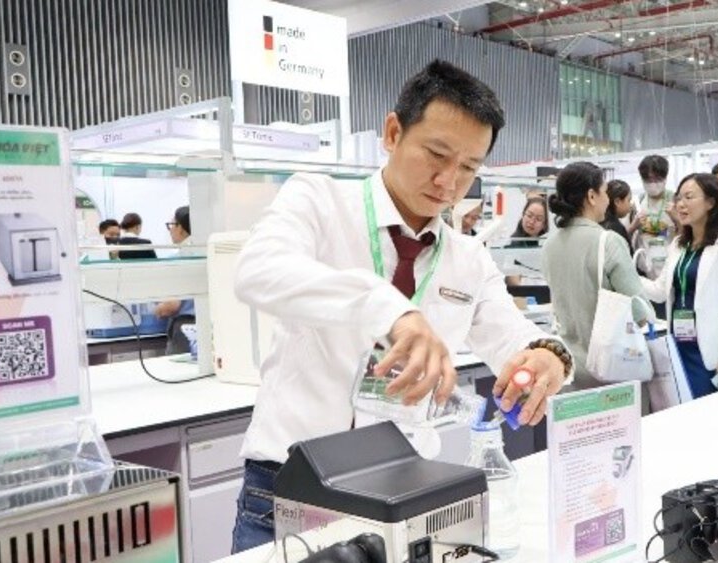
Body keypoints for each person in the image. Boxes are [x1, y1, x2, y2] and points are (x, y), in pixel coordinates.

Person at [229, 60, 572, 552]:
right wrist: (387, 308)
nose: (450, 182)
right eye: (436, 154)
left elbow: (514, 337)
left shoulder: (467, 258)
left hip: (403, 499)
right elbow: (257, 270)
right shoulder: (319, 202)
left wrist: (547, 358)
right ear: (393, 132)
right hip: (287, 493)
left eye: (470, 168)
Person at [544, 162, 656, 394]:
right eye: (605, 192)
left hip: (568, 372)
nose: (608, 199)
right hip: (609, 374)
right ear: (592, 196)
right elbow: (642, 313)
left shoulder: (550, 245)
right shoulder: (608, 241)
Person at [642, 173, 718, 399]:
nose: (680, 204)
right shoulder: (678, 244)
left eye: (689, 197)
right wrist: (625, 273)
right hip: (679, 344)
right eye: (678, 198)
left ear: (711, 203)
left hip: (708, 350)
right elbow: (659, 291)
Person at [154, 206, 195, 353]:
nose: (170, 230)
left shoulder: (177, 260)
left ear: (181, 228)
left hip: (184, 328)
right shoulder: (207, 253)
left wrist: (157, 310)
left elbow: (171, 305)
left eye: (171, 225)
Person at [634, 154, 676, 278]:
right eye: (648, 179)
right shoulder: (638, 201)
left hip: (670, 261)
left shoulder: (675, 199)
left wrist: (676, 218)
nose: (652, 183)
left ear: (665, 177)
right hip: (645, 264)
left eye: (657, 179)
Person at [600, 179, 633, 250]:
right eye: (629, 200)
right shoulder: (617, 228)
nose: (630, 205)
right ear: (617, 202)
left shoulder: (600, 220)